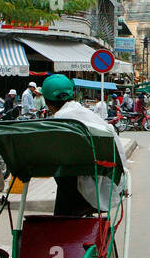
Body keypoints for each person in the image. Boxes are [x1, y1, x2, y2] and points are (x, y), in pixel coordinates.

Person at [40, 74, 126, 217]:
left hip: (90, 189)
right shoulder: (88, 114)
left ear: (47, 103)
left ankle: (62, 222)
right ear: (73, 94)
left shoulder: (60, 121)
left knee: (61, 172)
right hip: (114, 185)